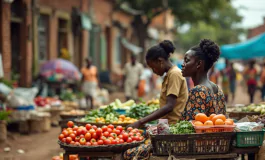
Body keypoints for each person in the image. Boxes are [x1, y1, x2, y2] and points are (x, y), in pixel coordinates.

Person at [123, 40, 188, 159]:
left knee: (128, 153)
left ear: (160, 61)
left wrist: (140, 122)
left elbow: (169, 106)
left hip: (172, 130)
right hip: (165, 127)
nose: (154, 71)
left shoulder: (174, 74)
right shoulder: (169, 75)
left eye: (153, 67)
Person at [181, 39, 226, 120]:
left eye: (186, 60)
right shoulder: (218, 89)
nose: (182, 64)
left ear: (199, 64)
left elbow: (192, 126)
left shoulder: (197, 91)